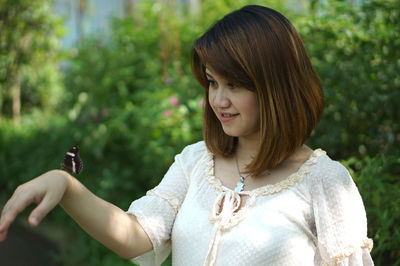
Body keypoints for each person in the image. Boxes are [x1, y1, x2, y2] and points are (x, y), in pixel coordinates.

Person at [0, 5, 374, 266]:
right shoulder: (197, 162)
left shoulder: (326, 183)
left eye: (235, 85)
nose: (218, 100)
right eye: (212, 82)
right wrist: (66, 185)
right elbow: (134, 236)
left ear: (276, 87)